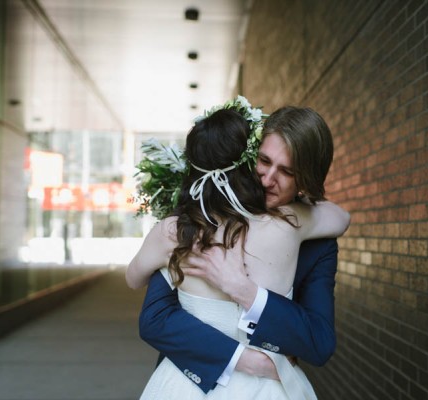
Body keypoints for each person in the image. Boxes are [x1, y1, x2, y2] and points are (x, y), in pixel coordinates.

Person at [127, 100, 350, 399]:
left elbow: (319, 342)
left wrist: (243, 289)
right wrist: (240, 360)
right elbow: (155, 318)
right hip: (197, 377)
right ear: (245, 157)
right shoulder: (191, 220)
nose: (268, 180)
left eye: (286, 171)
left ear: (306, 180)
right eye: (264, 161)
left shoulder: (312, 237)